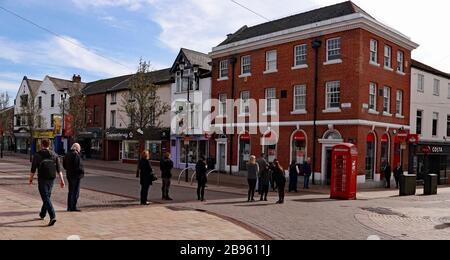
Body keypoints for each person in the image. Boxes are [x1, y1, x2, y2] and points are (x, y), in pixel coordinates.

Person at [29, 139, 65, 226]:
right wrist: (62, 180)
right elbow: (59, 170)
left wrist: (31, 179)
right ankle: (42, 214)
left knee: (45, 197)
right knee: (47, 196)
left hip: (42, 179)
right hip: (51, 179)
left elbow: (33, 169)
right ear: (49, 145)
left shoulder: (37, 155)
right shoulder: (55, 155)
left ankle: (52, 216)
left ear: (42, 145)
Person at [63, 143, 84, 212]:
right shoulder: (76, 155)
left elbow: (64, 165)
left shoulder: (67, 154)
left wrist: (69, 170)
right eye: (79, 149)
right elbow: (78, 166)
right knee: (75, 192)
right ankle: (73, 207)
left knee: (70, 191)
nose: (79, 150)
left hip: (69, 174)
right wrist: (81, 172)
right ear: (77, 148)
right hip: (76, 176)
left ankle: (69, 207)